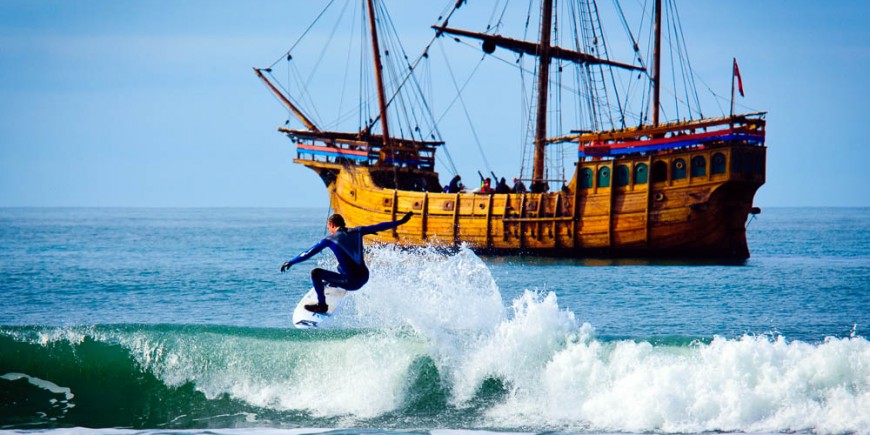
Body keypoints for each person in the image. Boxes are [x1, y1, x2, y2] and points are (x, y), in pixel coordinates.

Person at [280, 211, 413, 313]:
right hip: (365, 277)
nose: (329, 230)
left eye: (329, 227)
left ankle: (322, 306)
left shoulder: (329, 239)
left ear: (332, 225)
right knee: (339, 266)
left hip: (352, 282)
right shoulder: (358, 231)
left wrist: (291, 262)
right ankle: (334, 282)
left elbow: (308, 253)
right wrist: (401, 221)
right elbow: (379, 226)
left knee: (316, 273)